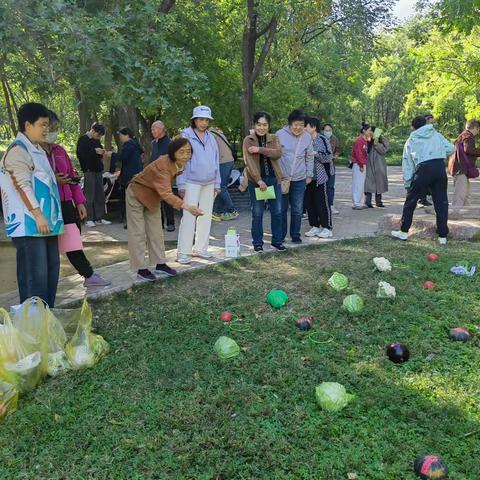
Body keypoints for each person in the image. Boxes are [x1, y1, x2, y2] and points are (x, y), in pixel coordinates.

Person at [0, 103, 63, 307]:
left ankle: (46, 321)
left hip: (46, 225)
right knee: (34, 279)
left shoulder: (37, 149)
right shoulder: (18, 150)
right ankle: (31, 330)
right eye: (42, 124)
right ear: (27, 125)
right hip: (29, 225)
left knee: (50, 274)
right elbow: (22, 185)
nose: (46, 129)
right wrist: (38, 214)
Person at [43, 111, 111, 287]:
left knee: (72, 239)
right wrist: (53, 179)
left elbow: (71, 176)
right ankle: (46, 283)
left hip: (66, 203)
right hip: (46, 205)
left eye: (55, 128)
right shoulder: (31, 152)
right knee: (47, 248)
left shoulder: (59, 150)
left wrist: (79, 202)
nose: (53, 131)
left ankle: (88, 275)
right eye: (50, 127)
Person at [127, 137, 203, 281]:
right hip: (136, 193)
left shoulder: (180, 164)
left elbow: (164, 189)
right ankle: (141, 269)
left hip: (153, 196)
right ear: (172, 152)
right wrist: (187, 207)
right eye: (182, 152)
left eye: (188, 152)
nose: (186, 155)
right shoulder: (163, 165)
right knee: (138, 232)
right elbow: (167, 193)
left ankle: (160, 264)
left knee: (156, 231)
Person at [392, 115, 455, 245]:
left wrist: (408, 183)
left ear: (413, 127)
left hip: (423, 169)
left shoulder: (411, 139)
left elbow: (408, 163)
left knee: (411, 201)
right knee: (441, 202)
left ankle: (404, 232)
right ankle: (442, 236)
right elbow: (451, 148)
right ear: (425, 123)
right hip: (439, 167)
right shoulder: (435, 134)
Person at [177, 105, 220, 264]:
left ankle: (200, 249)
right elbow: (180, 162)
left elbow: (216, 160)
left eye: (206, 120)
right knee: (188, 217)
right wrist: (181, 185)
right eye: (201, 119)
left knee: (205, 216)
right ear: (194, 120)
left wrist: (218, 182)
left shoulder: (211, 137)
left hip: (209, 183)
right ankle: (183, 252)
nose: (204, 122)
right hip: (191, 182)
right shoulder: (185, 136)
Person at [243, 112, 285, 252]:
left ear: (269, 125)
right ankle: (257, 243)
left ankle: (277, 241)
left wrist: (260, 149)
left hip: (273, 179)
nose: (262, 127)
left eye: (265, 125)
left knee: (277, 212)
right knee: (257, 213)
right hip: (256, 181)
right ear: (254, 125)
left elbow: (278, 153)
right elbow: (249, 162)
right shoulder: (248, 140)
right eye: (259, 124)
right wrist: (259, 180)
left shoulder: (274, 138)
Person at [276, 109, 314, 244]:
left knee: (297, 209)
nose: (298, 127)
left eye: (301, 125)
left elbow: (309, 157)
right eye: (295, 124)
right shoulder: (279, 134)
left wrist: (309, 174)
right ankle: (280, 235)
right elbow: (274, 156)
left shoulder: (307, 137)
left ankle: (295, 234)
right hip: (283, 179)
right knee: (281, 209)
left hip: (300, 178)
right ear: (290, 123)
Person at [76, 122, 112, 227]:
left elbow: (99, 152)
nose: (99, 137)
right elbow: (80, 154)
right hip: (89, 170)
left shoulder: (96, 141)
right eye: (98, 134)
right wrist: (94, 151)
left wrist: (102, 152)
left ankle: (99, 217)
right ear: (93, 131)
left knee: (100, 194)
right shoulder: (83, 139)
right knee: (89, 195)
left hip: (98, 170)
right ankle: (89, 218)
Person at [304, 117, 333, 238]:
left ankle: (327, 227)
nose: (304, 128)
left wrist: (316, 154)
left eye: (306, 126)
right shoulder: (303, 139)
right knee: (310, 203)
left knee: (322, 202)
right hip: (307, 177)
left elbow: (329, 157)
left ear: (313, 127)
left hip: (321, 177)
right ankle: (314, 226)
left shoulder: (322, 139)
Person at [110, 127, 144, 226]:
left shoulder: (129, 145)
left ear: (126, 135)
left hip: (130, 175)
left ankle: (132, 221)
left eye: (121, 135)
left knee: (130, 200)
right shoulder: (135, 144)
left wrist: (112, 154)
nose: (120, 138)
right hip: (136, 174)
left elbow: (122, 157)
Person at [449, 119, 480, 211]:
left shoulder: (462, 135)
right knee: (460, 193)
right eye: (478, 129)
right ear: (474, 128)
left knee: (466, 193)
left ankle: (467, 212)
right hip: (460, 168)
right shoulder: (468, 136)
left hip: (460, 168)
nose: (478, 132)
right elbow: (468, 150)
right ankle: (455, 212)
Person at [150, 120, 175, 232]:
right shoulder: (154, 143)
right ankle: (159, 223)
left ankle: (171, 223)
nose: (152, 131)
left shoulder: (169, 143)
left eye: (154, 129)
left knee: (167, 200)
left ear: (161, 129)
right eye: (152, 129)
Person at [211, 127, 239, 222]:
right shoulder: (218, 133)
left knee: (221, 187)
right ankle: (217, 211)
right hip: (229, 161)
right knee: (222, 187)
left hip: (223, 161)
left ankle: (232, 210)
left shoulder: (210, 135)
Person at [364, 127, 389, 208]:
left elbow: (384, 150)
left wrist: (376, 143)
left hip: (379, 164)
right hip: (369, 164)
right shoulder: (366, 139)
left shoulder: (382, 139)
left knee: (379, 182)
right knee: (368, 183)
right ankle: (368, 201)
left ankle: (379, 201)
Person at [351, 123, 373, 210]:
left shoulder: (364, 140)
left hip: (363, 163)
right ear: (364, 131)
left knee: (361, 184)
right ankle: (356, 203)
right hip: (358, 164)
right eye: (369, 130)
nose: (370, 132)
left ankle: (360, 202)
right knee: (357, 184)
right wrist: (361, 164)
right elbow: (358, 154)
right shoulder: (359, 140)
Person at [323, 123, 340, 214]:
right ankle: (322, 206)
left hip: (331, 165)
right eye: (326, 130)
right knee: (322, 187)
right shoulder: (320, 138)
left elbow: (337, 149)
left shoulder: (334, 138)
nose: (328, 132)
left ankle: (331, 205)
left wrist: (336, 155)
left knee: (330, 186)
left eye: (329, 130)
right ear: (323, 131)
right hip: (321, 166)